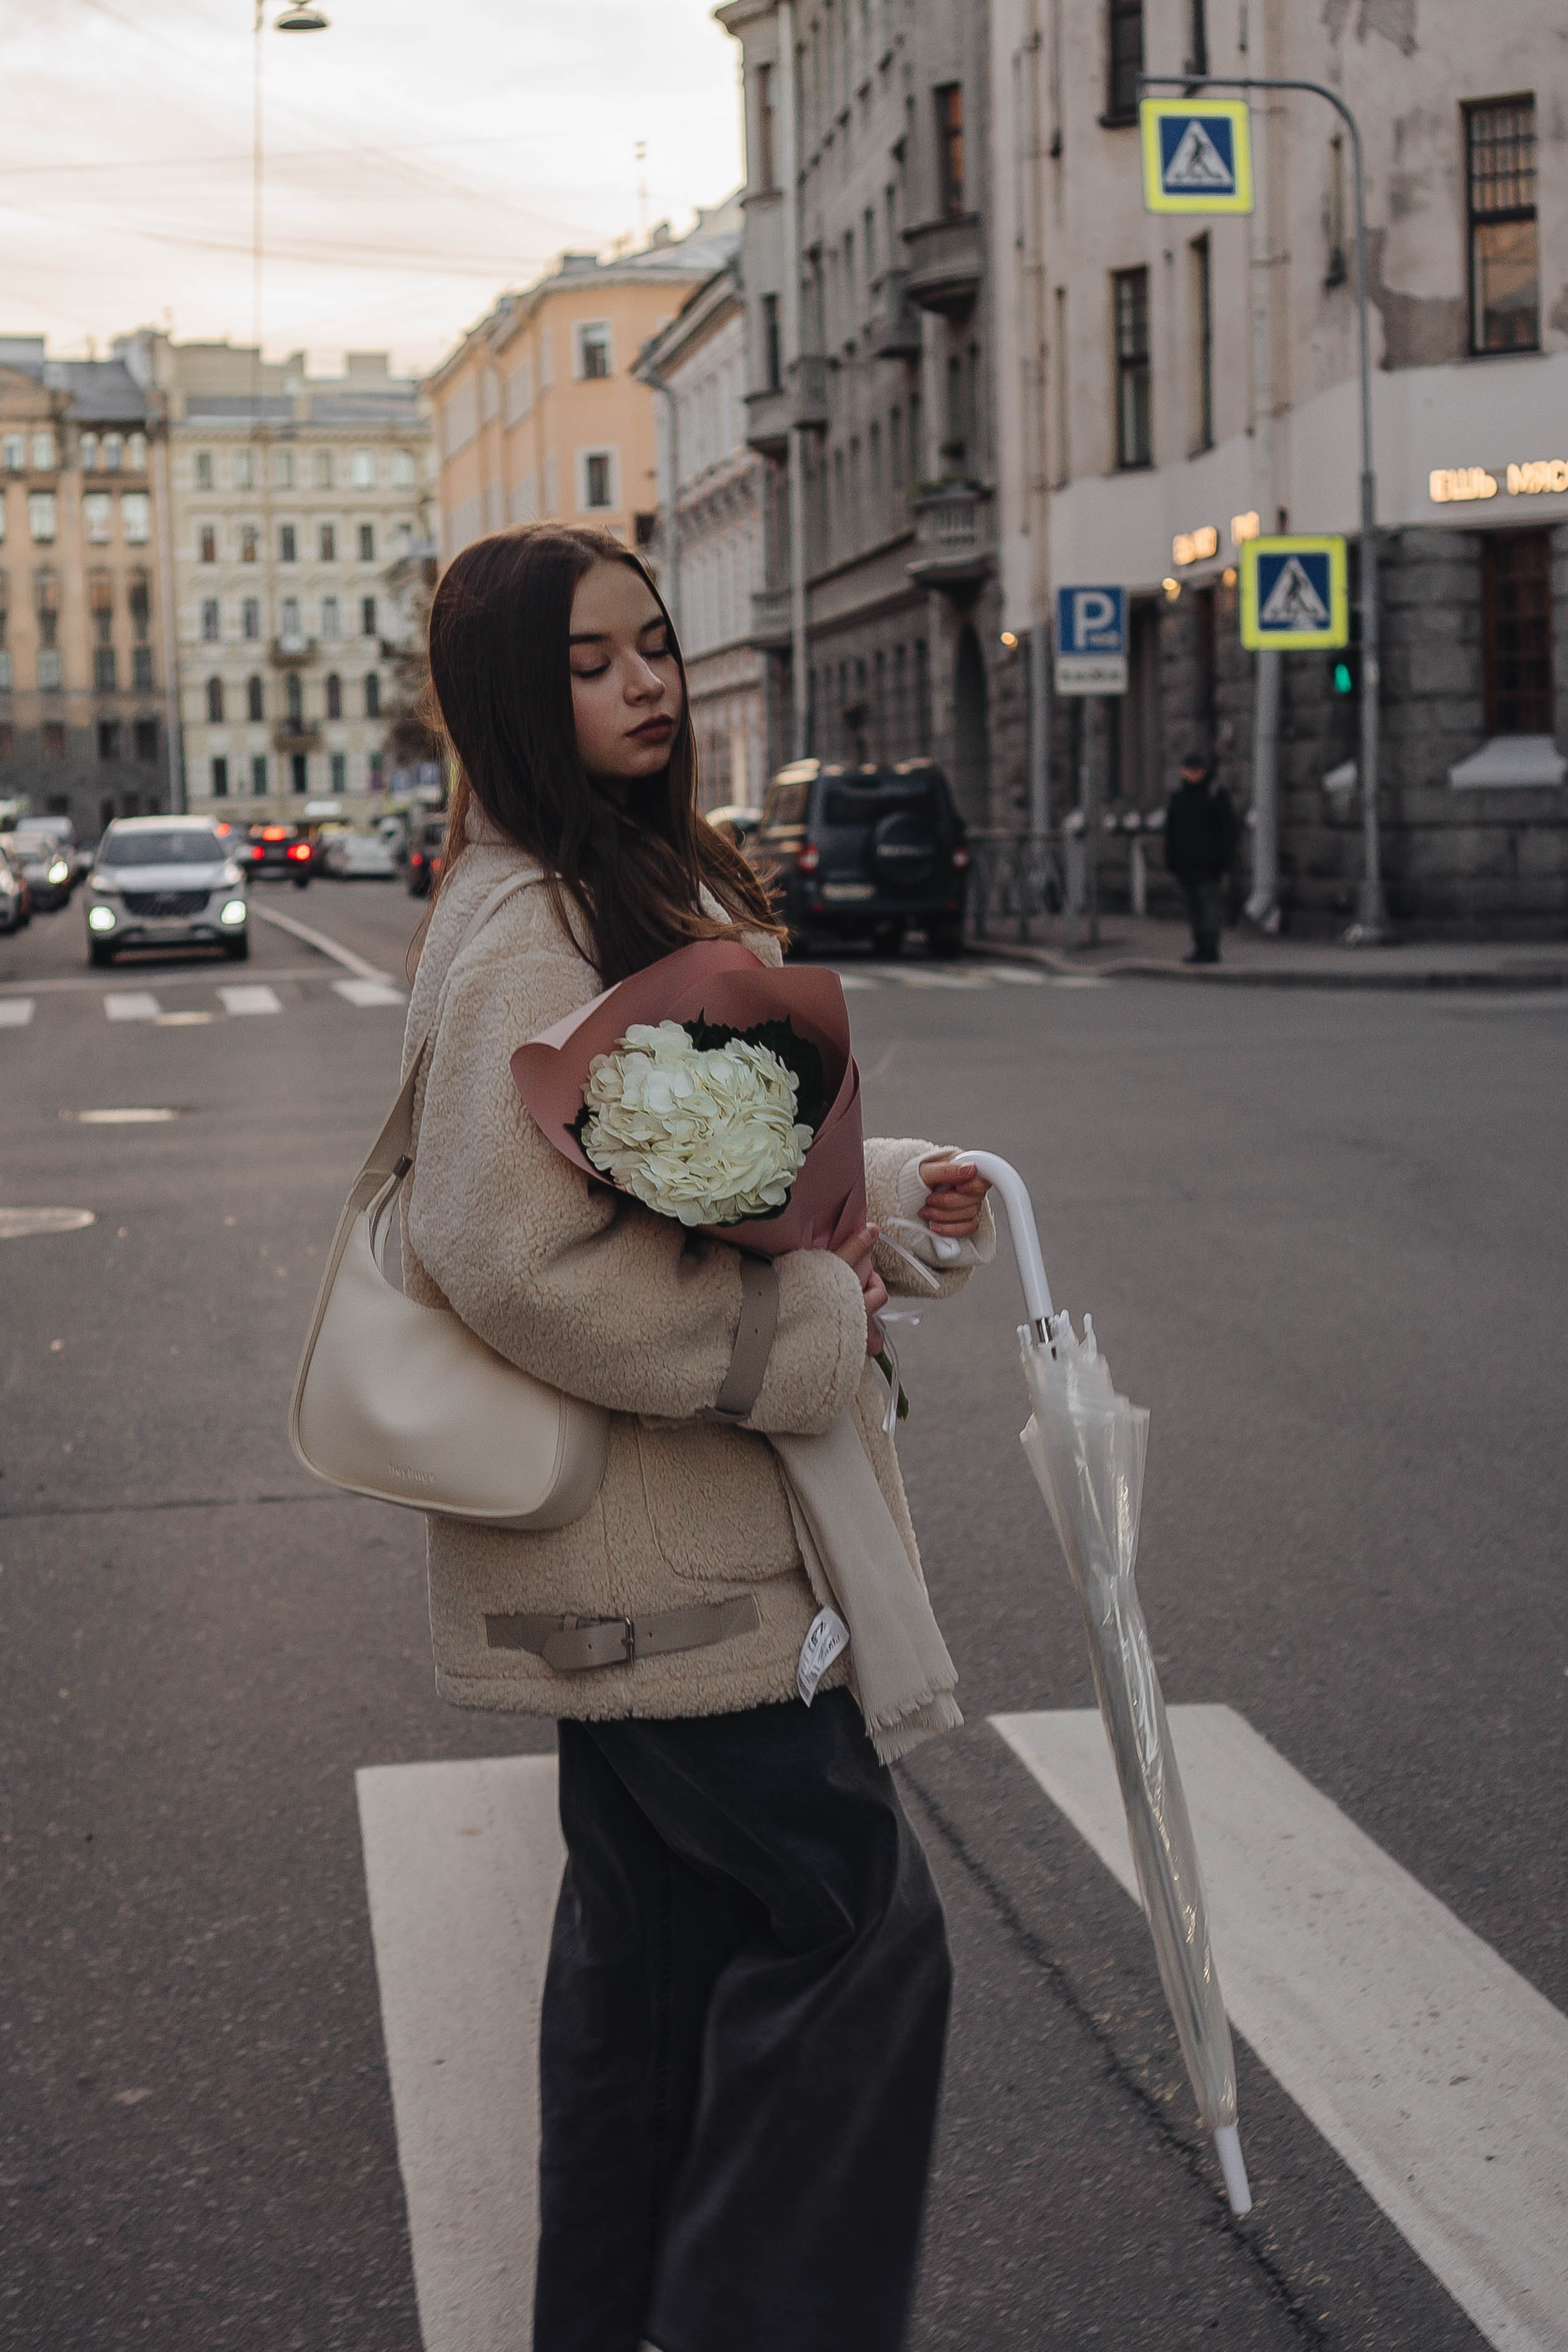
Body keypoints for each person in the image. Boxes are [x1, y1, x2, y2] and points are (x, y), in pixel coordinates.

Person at [406, 525, 995, 2352]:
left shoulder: (608, 884)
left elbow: (721, 1170)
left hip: (647, 1580)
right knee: (854, 1940)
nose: (649, 680)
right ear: (514, 693)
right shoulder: (537, 920)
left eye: (653, 644)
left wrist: (896, 1195)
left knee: (648, 1995)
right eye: (594, 661)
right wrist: (799, 1335)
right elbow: (503, 1249)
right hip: (674, 1575)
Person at [1163, 749, 1240, 965]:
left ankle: (1210, 949)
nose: (1193, 775)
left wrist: (1223, 862)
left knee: (1209, 907)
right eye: (1189, 771)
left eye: (1196, 771)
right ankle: (1199, 947)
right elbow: (1172, 833)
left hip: (1209, 866)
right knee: (1194, 908)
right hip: (1186, 865)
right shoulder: (1179, 798)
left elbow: (1228, 831)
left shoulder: (1215, 796)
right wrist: (1172, 861)